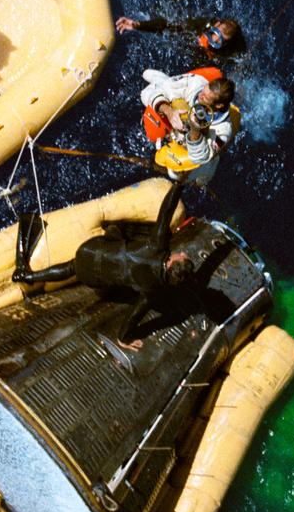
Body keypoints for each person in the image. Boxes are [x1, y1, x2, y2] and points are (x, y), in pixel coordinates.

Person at [12, 181, 195, 350]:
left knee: (116, 231)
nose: (183, 253)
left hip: (89, 249)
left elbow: (166, 212)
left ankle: (28, 276)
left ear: (172, 262)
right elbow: (133, 317)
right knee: (74, 269)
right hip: (89, 277)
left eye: (182, 257)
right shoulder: (151, 290)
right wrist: (123, 339)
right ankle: (28, 276)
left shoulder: (157, 244)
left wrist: (179, 183)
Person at [140, 68, 236, 183]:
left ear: (219, 106)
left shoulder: (223, 129)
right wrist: (169, 111)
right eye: (202, 92)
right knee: (150, 87)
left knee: (177, 176)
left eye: (204, 98)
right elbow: (146, 94)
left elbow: (202, 157)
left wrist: (195, 131)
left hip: (196, 151)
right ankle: (162, 80)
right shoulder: (196, 84)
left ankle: (202, 181)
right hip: (176, 128)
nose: (200, 95)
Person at [116, 12, 246, 62]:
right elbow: (166, 24)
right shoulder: (198, 26)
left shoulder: (228, 52)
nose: (213, 42)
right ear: (215, 25)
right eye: (214, 35)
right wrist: (138, 25)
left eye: (220, 42)